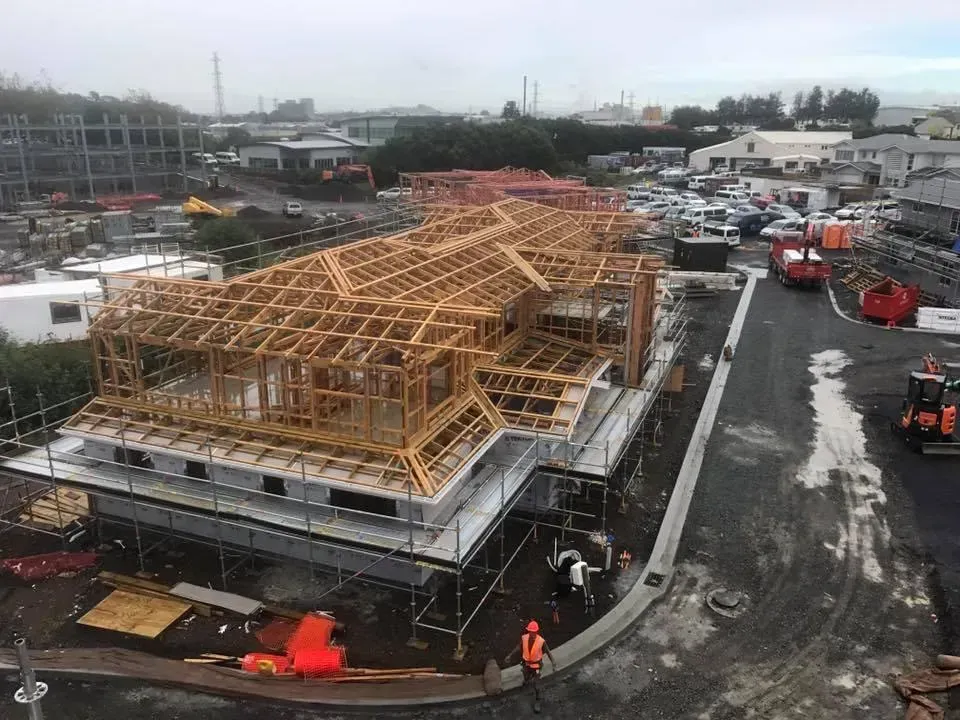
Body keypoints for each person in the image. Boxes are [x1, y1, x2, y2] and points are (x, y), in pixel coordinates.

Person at [504, 620, 556, 713]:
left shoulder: (541, 641)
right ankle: (527, 680)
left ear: (536, 631)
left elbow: (548, 652)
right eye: (530, 631)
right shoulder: (524, 638)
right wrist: (510, 655)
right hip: (526, 664)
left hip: (536, 666)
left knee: (536, 685)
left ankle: (538, 700)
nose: (531, 633)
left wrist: (553, 662)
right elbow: (518, 646)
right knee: (525, 675)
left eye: (533, 631)